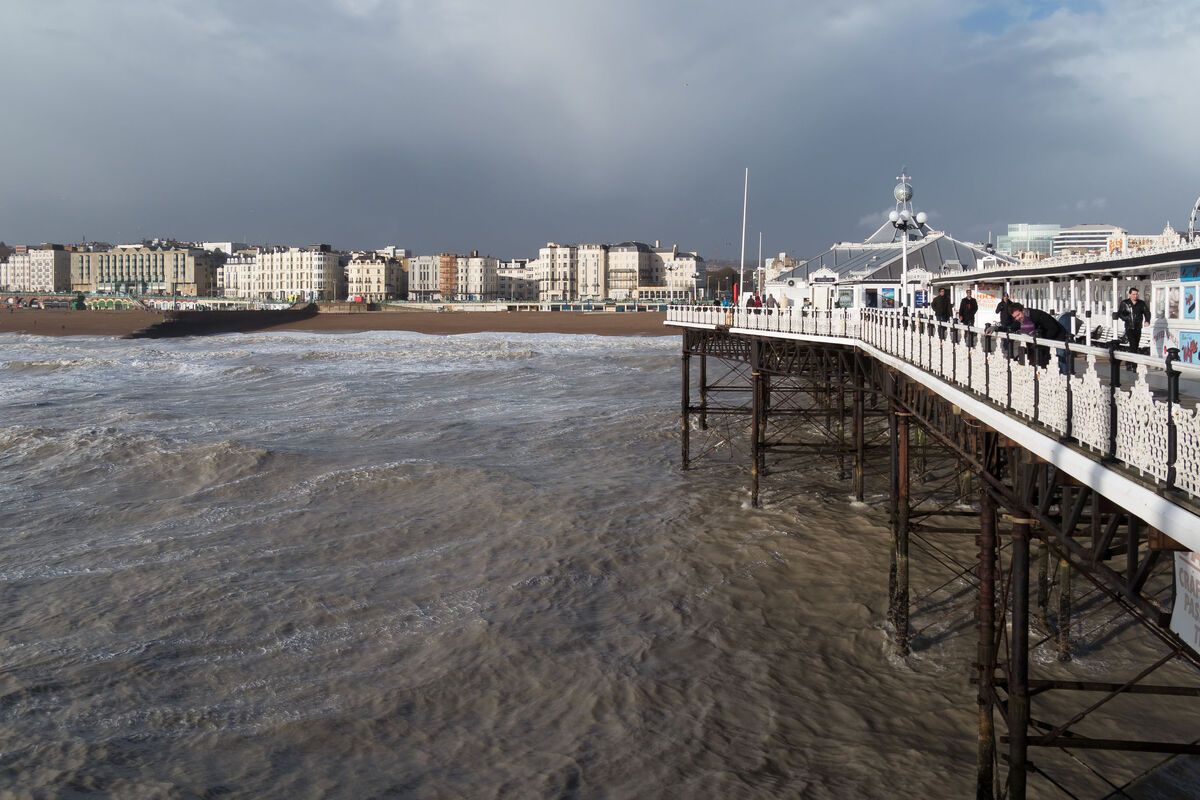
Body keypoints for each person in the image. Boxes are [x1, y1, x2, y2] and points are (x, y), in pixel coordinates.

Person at [1009, 303, 1069, 372]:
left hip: (1058, 334)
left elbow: (1053, 328)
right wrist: (998, 328)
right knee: (1042, 357)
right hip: (1045, 337)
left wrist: (1043, 340)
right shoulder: (1021, 319)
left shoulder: (1036, 315)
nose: (1017, 318)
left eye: (1018, 315)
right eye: (1015, 317)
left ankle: (1065, 375)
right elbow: (1012, 327)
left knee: (1060, 356)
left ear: (1022, 310)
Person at [1116, 287, 1150, 366]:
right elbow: (1119, 313)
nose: (1135, 296)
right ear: (1130, 294)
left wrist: (1147, 320)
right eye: (1133, 294)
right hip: (1129, 327)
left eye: (1136, 294)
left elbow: (1147, 312)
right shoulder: (1125, 303)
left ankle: (1129, 362)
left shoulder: (1141, 303)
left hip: (1138, 327)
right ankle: (1133, 364)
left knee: (1136, 345)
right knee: (1133, 344)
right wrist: (1126, 318)